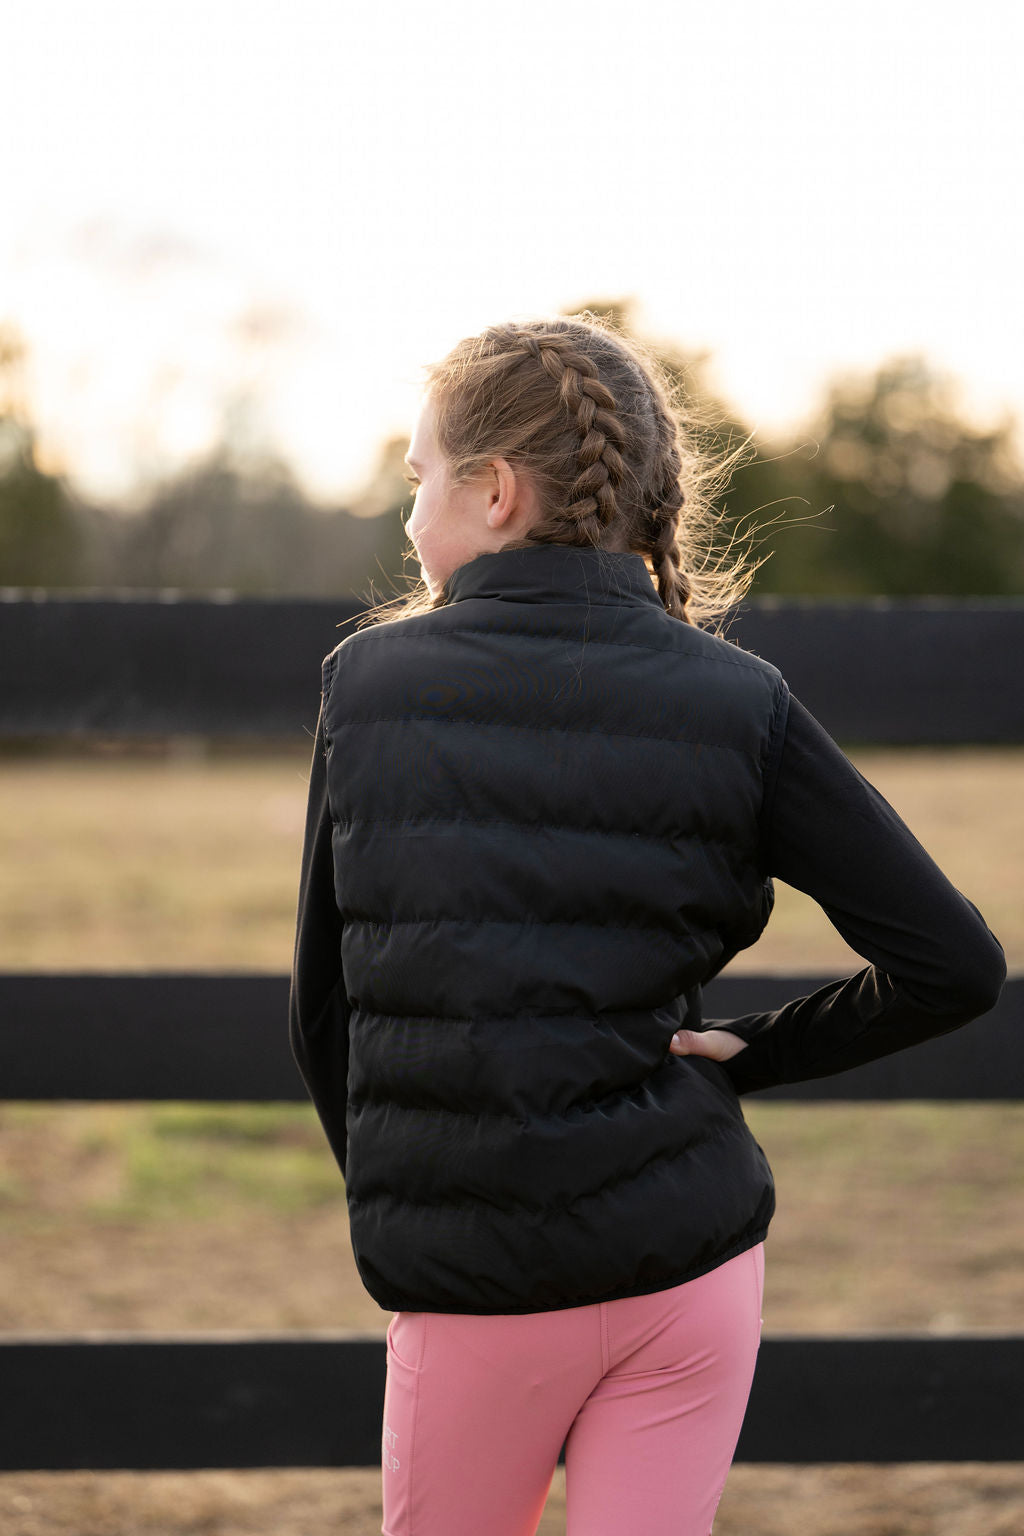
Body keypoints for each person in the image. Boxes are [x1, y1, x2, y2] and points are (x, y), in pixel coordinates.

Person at [288, 314, 1005, 1536]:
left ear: (496, 491)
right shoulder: (740, 698)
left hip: (475, 1287)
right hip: (689, 1268)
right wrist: (761, 1053)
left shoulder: (372, 684)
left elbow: (322, 1011)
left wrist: (424, 1211)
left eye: (416, 482)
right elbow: (954, 964)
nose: (408, 520)